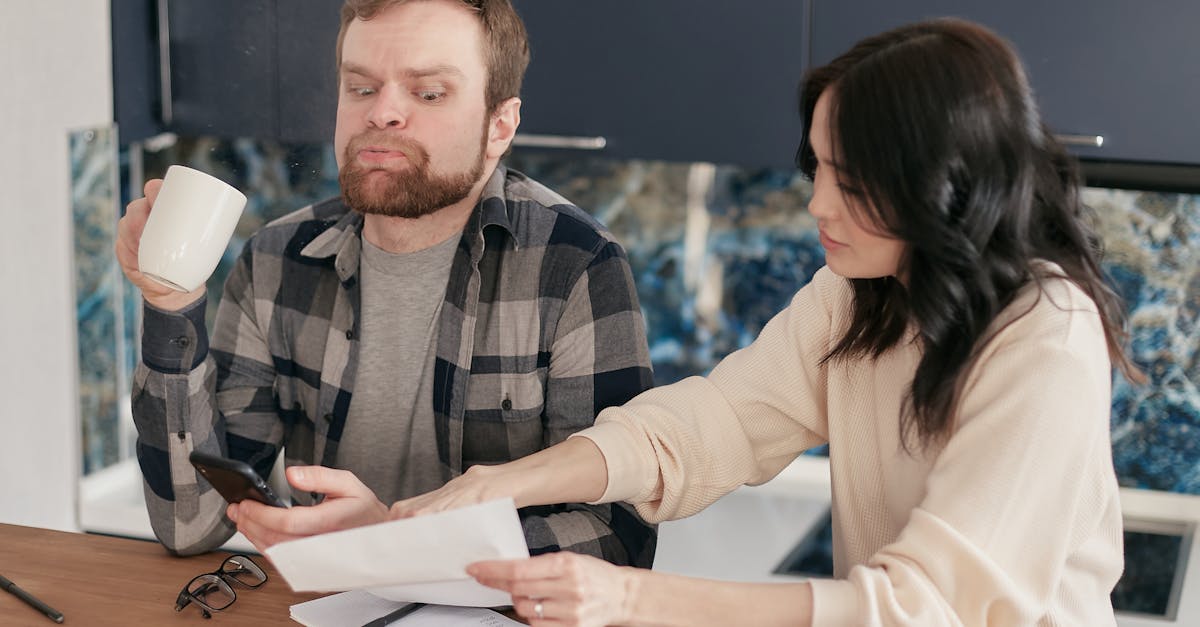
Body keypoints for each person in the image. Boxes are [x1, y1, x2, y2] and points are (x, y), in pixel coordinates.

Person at [298, 17, 1140, 625]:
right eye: (818, 169)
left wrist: (633, 598)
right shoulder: (863, 294)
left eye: (848, 181)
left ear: (943, 181)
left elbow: (926, 607)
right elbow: (709, 426)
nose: (817, 204)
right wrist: (498, 483)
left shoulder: (1046, 333)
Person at [114, 0, 657, 569]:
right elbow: (189, 522)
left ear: (500, 125)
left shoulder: (575, 264)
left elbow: (618, 542)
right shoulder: (278, 258)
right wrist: (170, 305)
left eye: (428, 93)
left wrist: (401, 545)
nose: (383, 113)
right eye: (361, 87)